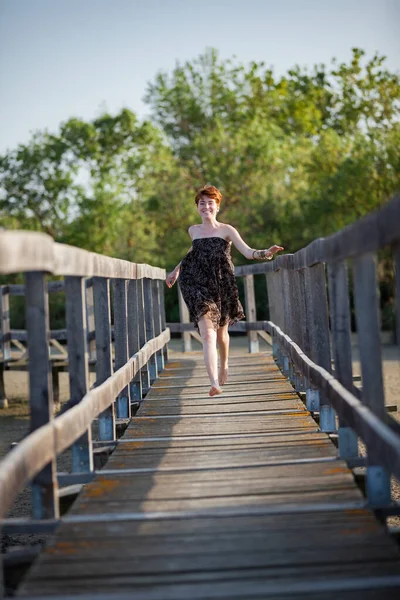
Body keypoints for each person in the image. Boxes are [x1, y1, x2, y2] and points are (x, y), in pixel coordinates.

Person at [166, 185, 284, 397]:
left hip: (221, 285)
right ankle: (213, 383)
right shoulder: (193, 230)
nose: (206, 206)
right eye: (202, 203)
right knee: (208, 334)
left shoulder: (227, 230)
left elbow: (248, 252)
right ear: (197, 207)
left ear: (217, 206)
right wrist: (176, 270)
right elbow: (192, 252)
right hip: (195, 284)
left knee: (221, 333)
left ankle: (225, 363)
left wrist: (266, 253)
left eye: (210, 203)